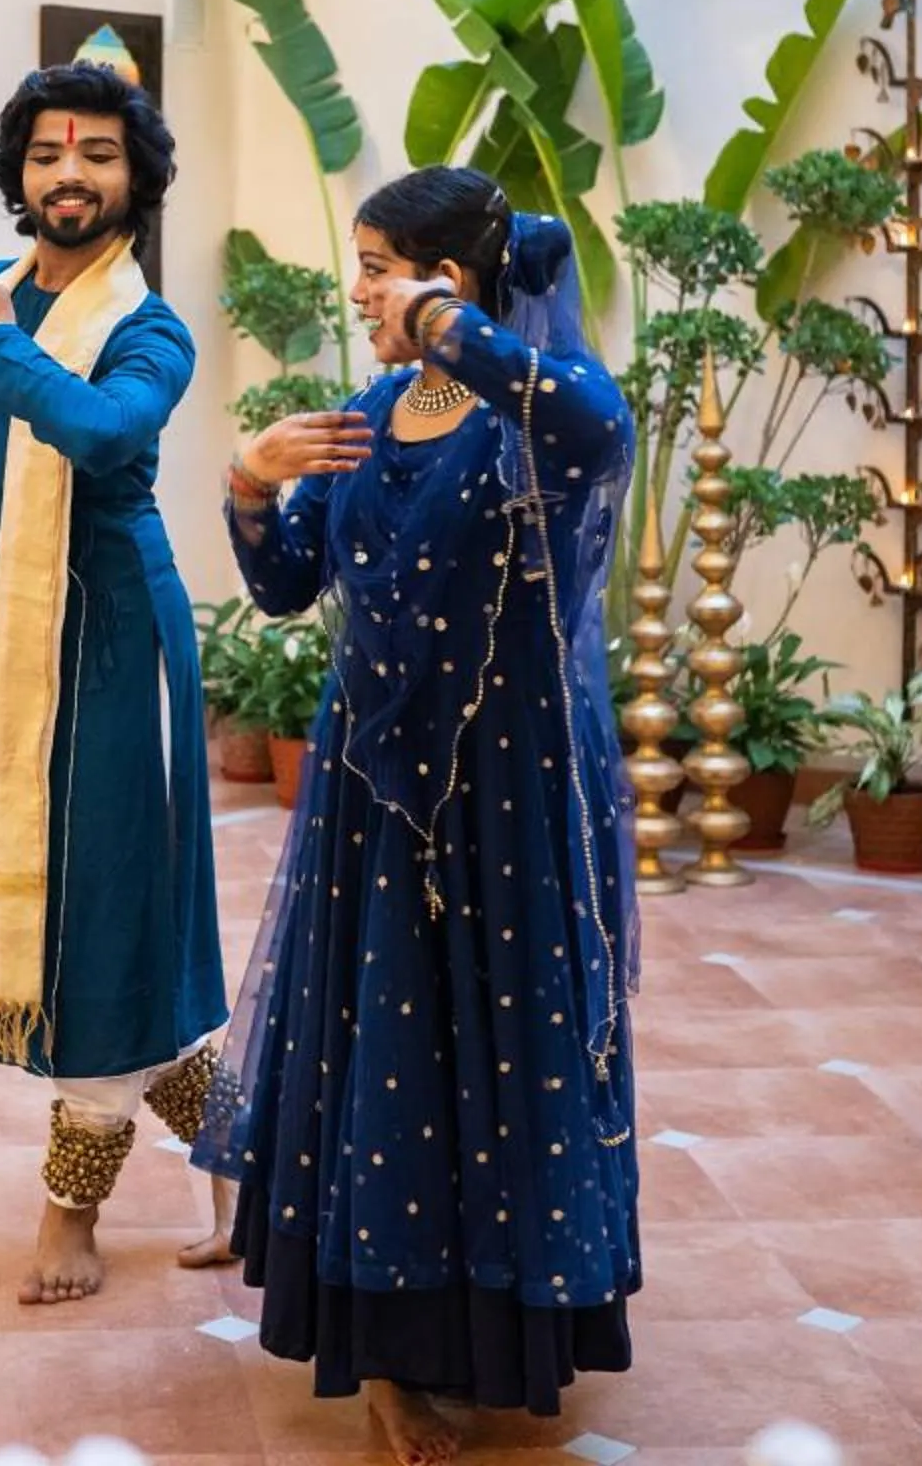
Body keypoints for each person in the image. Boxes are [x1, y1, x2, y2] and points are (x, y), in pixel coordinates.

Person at [199, 169, 641, 1465]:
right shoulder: (376, 409)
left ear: (454, 278)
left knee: (504, 1066)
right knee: (383, 1070)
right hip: (371, 803)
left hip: (510, 800)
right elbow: (286, 587)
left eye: (381, 266)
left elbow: (600, 425)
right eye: (365, 264)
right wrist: (248, 481)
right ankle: (391, 1362)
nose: (359, 289)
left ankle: (501, 1344)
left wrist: (446, 321)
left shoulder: (533, 420)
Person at [0, 60, 229, 1307]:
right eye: (50, 152)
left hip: (115, 645)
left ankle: (71, 1209)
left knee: (111, 922)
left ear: (138, 178)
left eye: (101, 155)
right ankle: (256, 1156)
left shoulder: (148, 325)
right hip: (25, 651)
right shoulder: (12, 293)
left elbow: (104, 428)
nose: (72, 172)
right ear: (19, 172)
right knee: (99, 926)